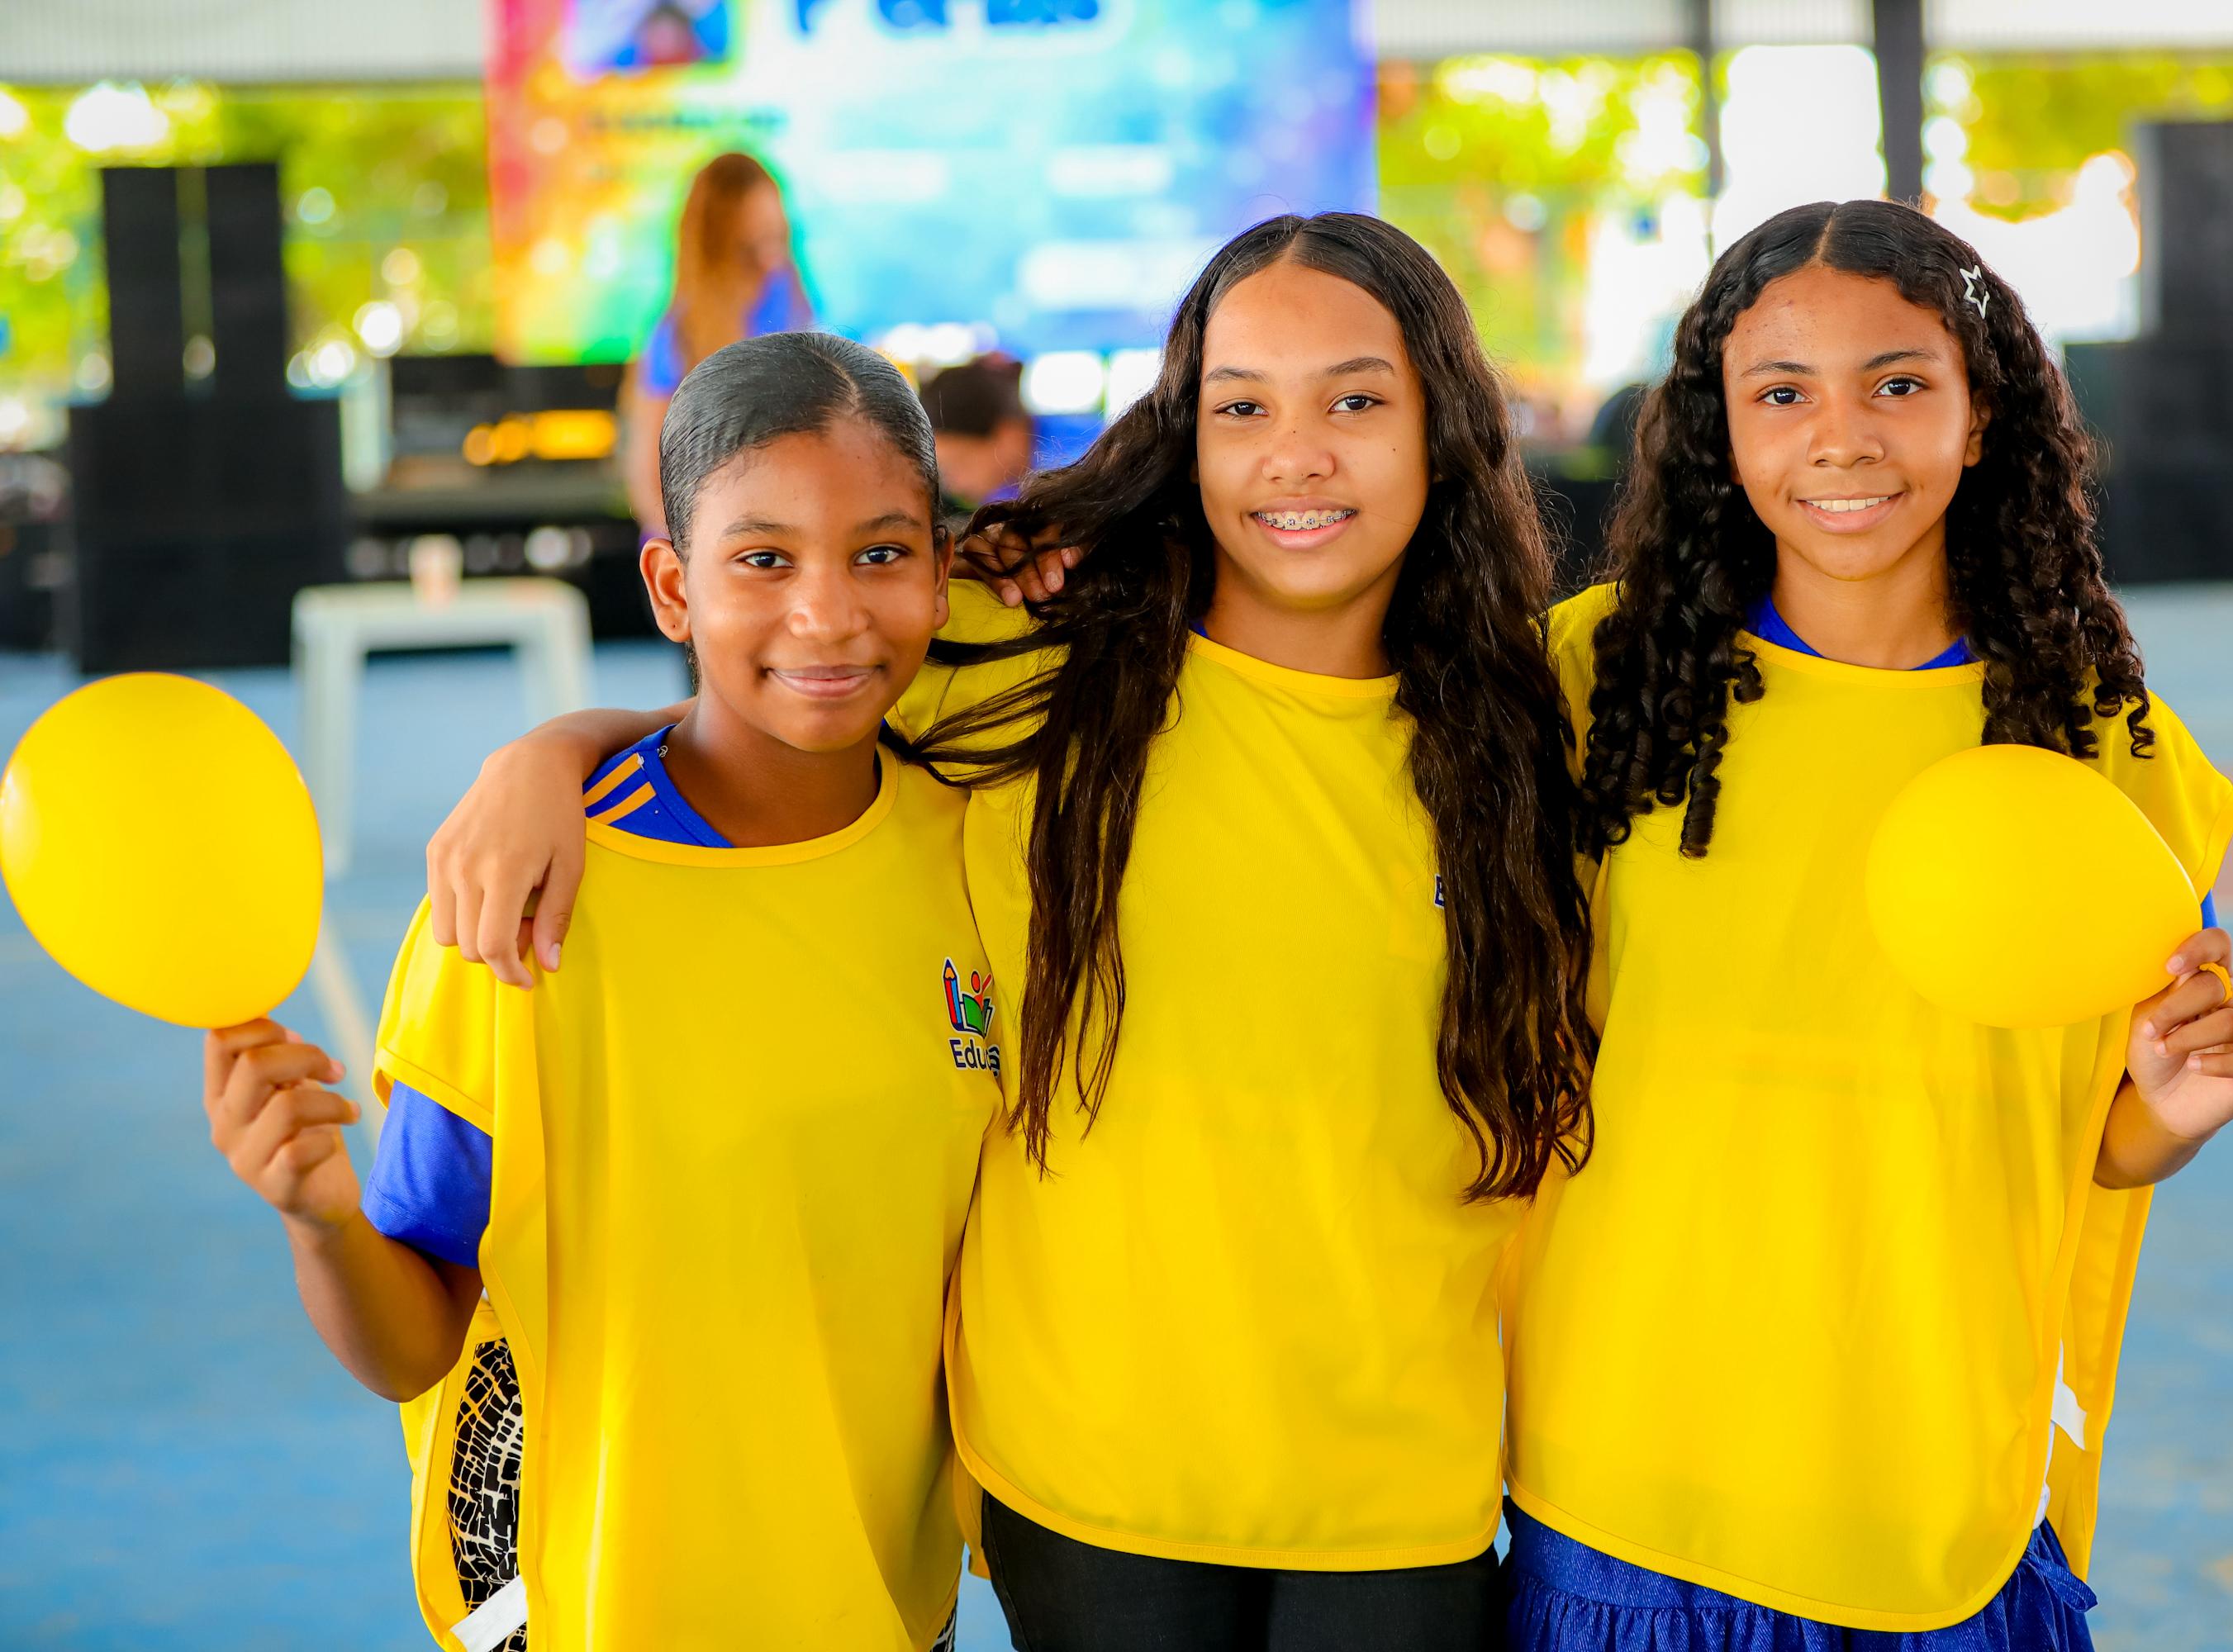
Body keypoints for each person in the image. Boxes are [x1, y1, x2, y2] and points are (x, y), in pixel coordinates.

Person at [419, 211, 1597, 1651]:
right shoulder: (1029, 655)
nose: (1296, 456)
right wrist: (548, 754)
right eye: (1242, 409)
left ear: (1444, 428)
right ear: (1186, 432)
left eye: (1355, 402)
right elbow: (779, 686)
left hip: (1404, 1483)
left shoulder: (1524, 725)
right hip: (1090, 1479)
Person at [1501, 200, 2233, 1650]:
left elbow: (2102, 1135)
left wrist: (2173, 1113)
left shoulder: (2104, 744)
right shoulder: (1591, 683)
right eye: (1782, 394)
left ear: (1982, 419)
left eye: (1899, 384)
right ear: (1721, 432)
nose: (1841, 438)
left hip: (1940, 1486)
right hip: (1628, 1475)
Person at [203, 330, 989, 1651]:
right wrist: (321, 1218)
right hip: (589, 1607)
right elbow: (415, 1342)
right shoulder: (521, 901)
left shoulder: (982, 851)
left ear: (942, 571)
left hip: (882, 1605)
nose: (829, 613)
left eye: (880, 553)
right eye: (763, 560)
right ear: (673, 589)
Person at [619, 151, 816, 534]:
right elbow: (649, 483)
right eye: (751, 248)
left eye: (776, 239)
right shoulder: (676, 337)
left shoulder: (793, 308)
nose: (771, 262)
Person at [920, 354, 1034, 525]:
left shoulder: (1071, 469)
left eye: (960, 464)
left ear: (1008, 434)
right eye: (945, 471)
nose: (955, 485)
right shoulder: (1005, 491)